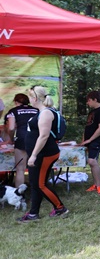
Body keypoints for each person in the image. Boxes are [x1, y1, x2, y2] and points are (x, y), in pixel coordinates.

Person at [16, 86, 70, 223]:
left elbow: (44, 136)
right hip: (41, 153)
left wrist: (33, 155)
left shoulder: (46, 113)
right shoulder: (42, 112)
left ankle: (60, 208)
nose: (29, 100)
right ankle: (33, 213)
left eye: (30, 97)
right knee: (36, 183)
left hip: (44, 154)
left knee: (41, 185)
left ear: (35, 98)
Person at [3, 93, 38, 188]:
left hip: (22, 138)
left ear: (16, 102)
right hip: (37, 139)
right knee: (36, 167)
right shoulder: (37, 110)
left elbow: (11, 128)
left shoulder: (13, 111)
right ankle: (37, 191)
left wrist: (11, 139)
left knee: (20, 169)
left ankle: (19, 193)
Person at [81, 90, 100, 194]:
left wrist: (90, 139)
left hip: (96, 140)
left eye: (89, 100)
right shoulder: (91, 112)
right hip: (88, 140)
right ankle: (95, 184)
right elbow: (87, 127)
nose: (87, 103)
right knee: (91, 162)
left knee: (92, 161)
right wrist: (83, 140)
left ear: (95, 99)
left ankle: (99, 186)